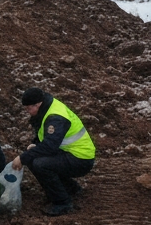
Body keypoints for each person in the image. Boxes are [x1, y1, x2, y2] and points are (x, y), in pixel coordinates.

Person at [11, 88, 94, 216]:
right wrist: (36, 145)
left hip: (81, 159)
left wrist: (22, 157)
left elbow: (50, 146)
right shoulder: (48, 108)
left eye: (28, 109)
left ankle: (62, 202)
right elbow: (49, 140)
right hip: (71, 153)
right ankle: (70, 188)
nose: (28, 112)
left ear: (38, 104)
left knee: (40, 164)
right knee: (34, 159)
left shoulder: (55, 117)